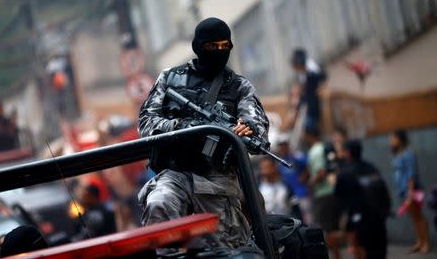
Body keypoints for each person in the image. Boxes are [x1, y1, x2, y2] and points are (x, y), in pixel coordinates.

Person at [138, 17, 269, 248]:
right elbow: (146, 122)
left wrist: (243, 131)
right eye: (212, 47)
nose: (219, 52)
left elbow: (257, 132)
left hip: (217, 178)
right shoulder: (170, 78)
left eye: (224, 46)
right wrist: (184, 128)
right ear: (199, 47)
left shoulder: (238, 86)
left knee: (227, 249)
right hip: (175, 172)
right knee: (159, 204)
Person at [335, 140, 390, 259]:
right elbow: (384, 191)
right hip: (378, 218)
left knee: (362, 251)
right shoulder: (372, 168)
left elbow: (339, 197)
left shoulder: (344, 173)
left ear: (348, 153)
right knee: (379, 252)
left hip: (359, 221)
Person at [390, 130, 430, 254]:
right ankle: (420, 241)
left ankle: (426, 243)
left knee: (419, 216)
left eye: (393, 138)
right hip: (403, 190)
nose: (391, 141)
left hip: (411, 191)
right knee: (414, 217)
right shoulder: (398, 154)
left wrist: (410, 192)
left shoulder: (409, 154)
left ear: (400, 139)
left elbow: (410, 174)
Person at [304, 126, 341, 259]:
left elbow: (321, 172)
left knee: (330, 229)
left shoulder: (315, 151)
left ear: (309, 135)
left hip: (324, 193)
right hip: (330, 192)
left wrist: (310, 183)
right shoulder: (322, 147)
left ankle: (336, 256)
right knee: (333, 228)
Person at [276, 134, 312, 224]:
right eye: (280, 145)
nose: (282, 148)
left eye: (284, 145)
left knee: (308, 218)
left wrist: (304, 176)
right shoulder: (279, 161)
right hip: (290, 195)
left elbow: (308, 164)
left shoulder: (296, 156)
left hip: (302, 192)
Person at [290, 48, 326, 130]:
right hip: (308, 98)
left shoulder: (312, 68)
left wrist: (321, 88)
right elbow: (303, 84)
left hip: (314, 99)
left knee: (310, 122)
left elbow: (323, 78)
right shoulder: (302, 71)